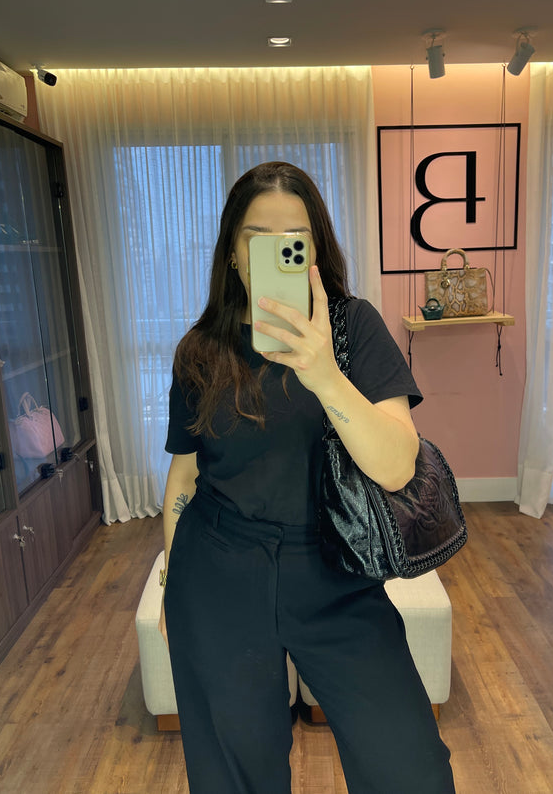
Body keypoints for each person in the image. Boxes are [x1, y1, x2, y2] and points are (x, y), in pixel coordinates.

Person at [159, 161, 456, 794]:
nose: (275, 251)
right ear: (233, 252)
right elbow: (183, 476)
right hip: (217, 571)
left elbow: (397, 466)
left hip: (335, 570)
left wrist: (324, 374)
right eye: (256, 237)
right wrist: (169, 583)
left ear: (314, 250)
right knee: (235, 773)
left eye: (293, 238)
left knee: (411, 769)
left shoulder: (354, 329)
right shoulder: (199, 351)